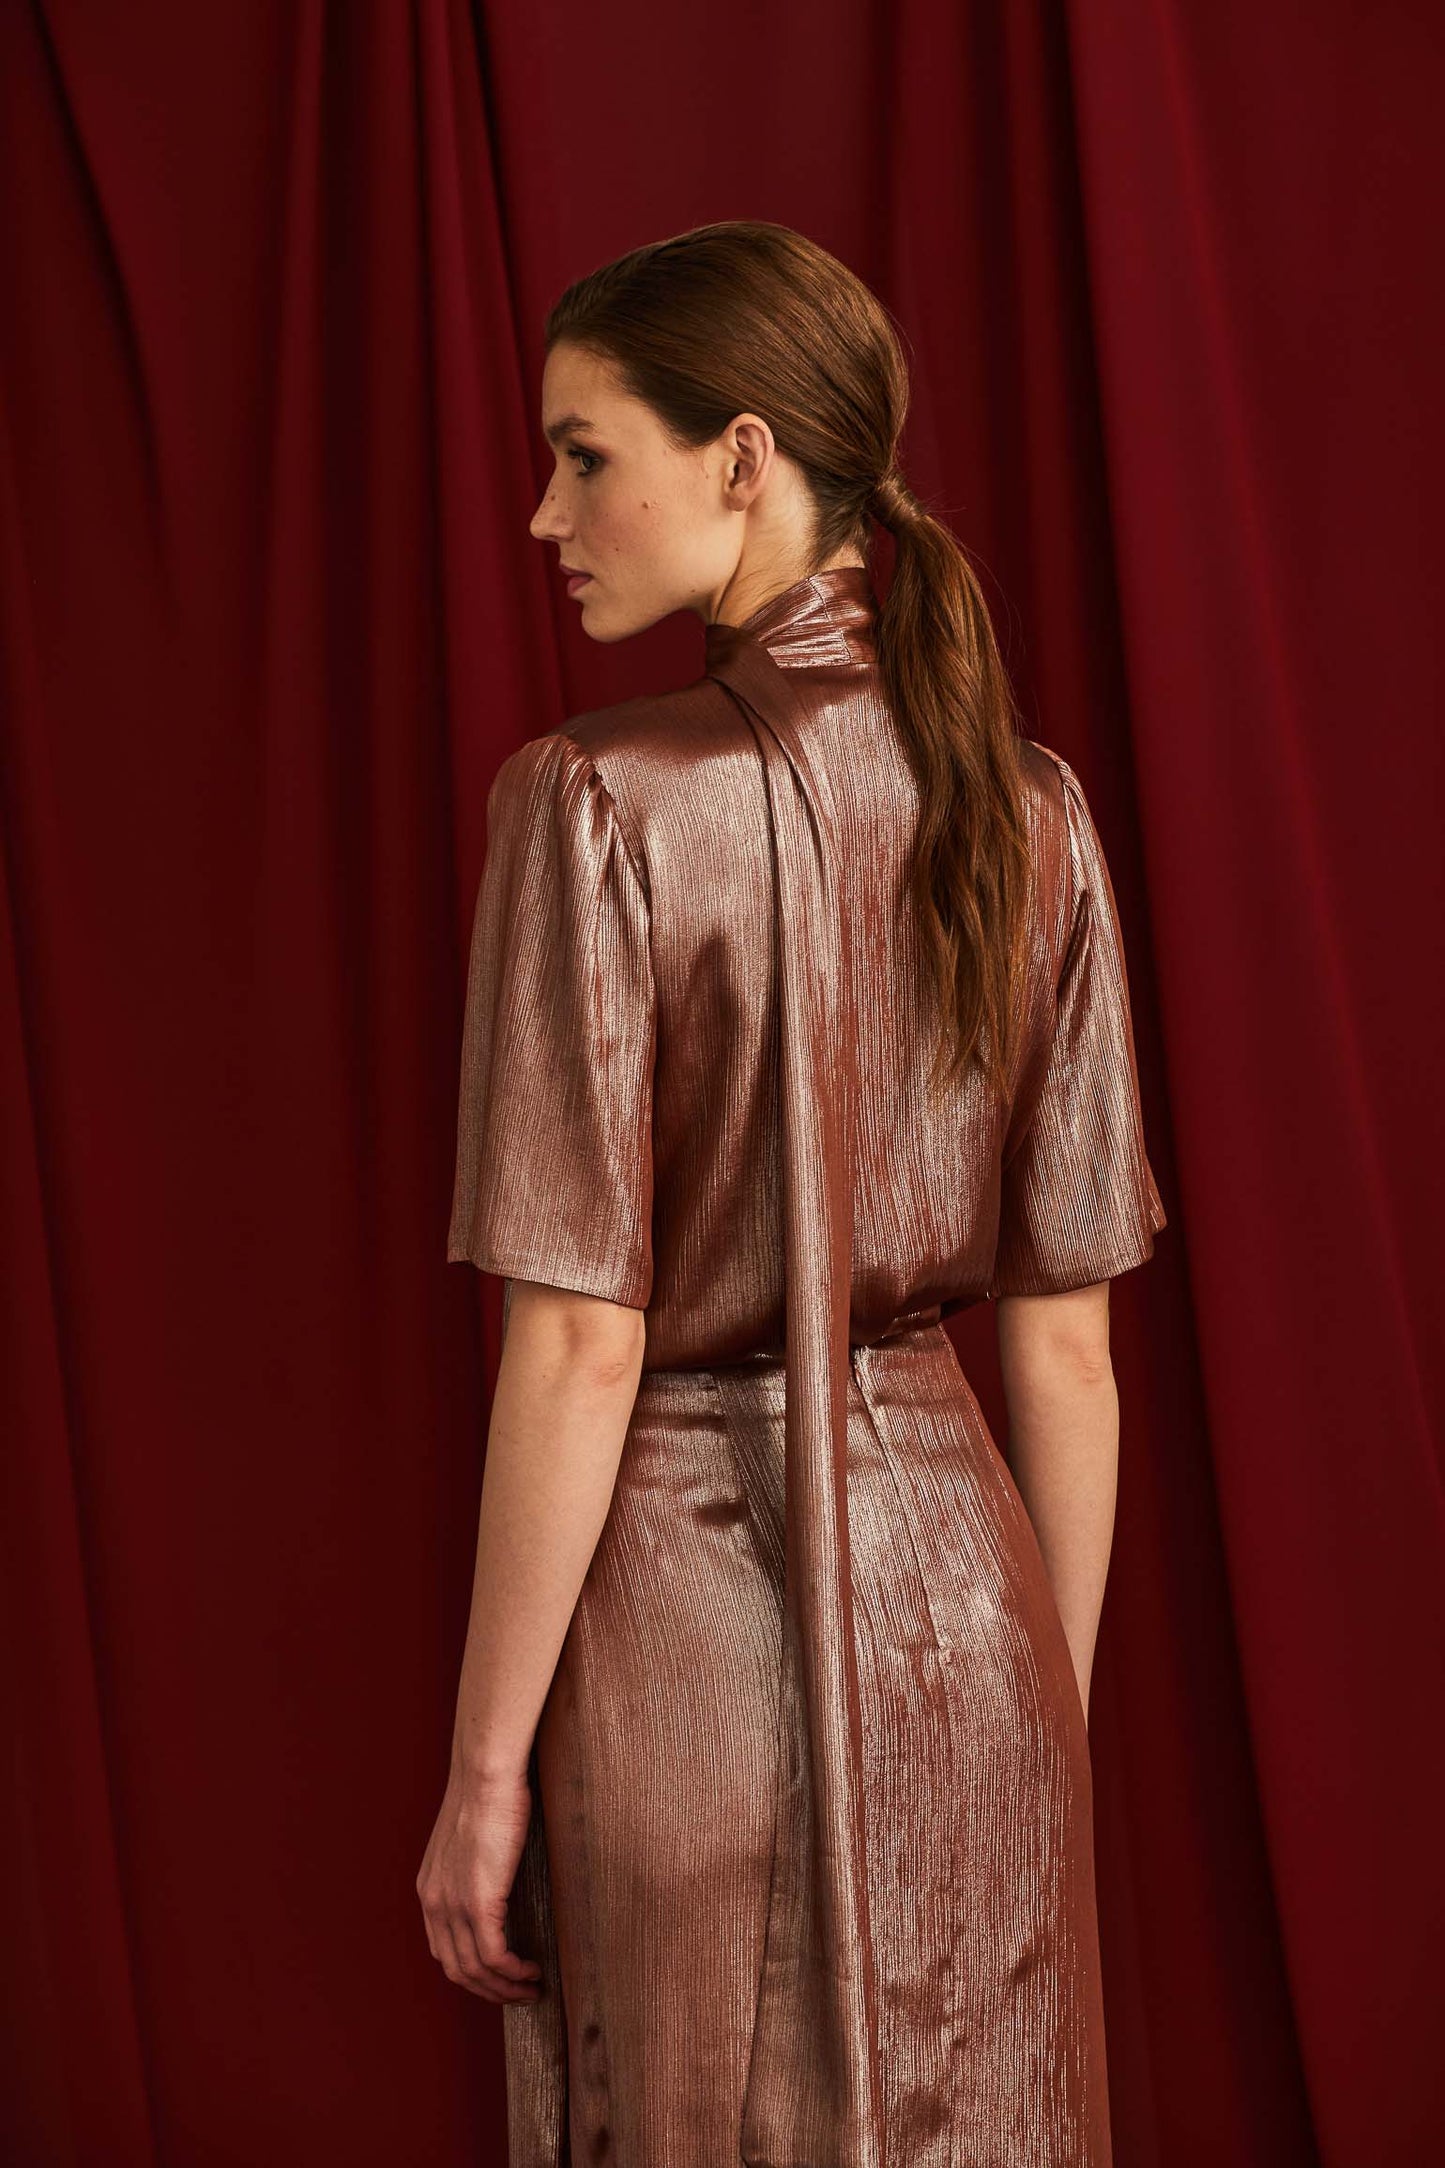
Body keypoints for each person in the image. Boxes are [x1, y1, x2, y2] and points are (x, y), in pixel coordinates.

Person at [416, 220, 1166, 2168]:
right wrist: (1043, 1715)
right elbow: (1068, 1351)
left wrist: (484, 1773)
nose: (544, 514)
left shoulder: (594, 802)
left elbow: (579, 1348)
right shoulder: (1033, 806)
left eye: (585, 453)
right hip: (979, 1625)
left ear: (742, 457)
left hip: (686, 1634)